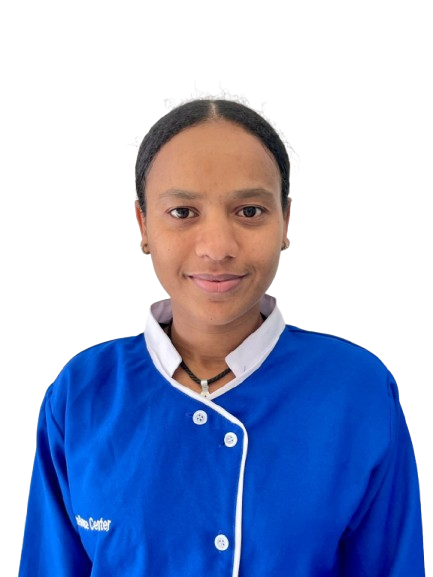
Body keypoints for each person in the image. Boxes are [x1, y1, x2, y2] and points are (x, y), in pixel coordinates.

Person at [19, 82, 425, 576]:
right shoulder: (81, 393)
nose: (216, 247)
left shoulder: (356, 389)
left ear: (286, 221)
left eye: (249, 211)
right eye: (182, 212)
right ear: (143, 224)